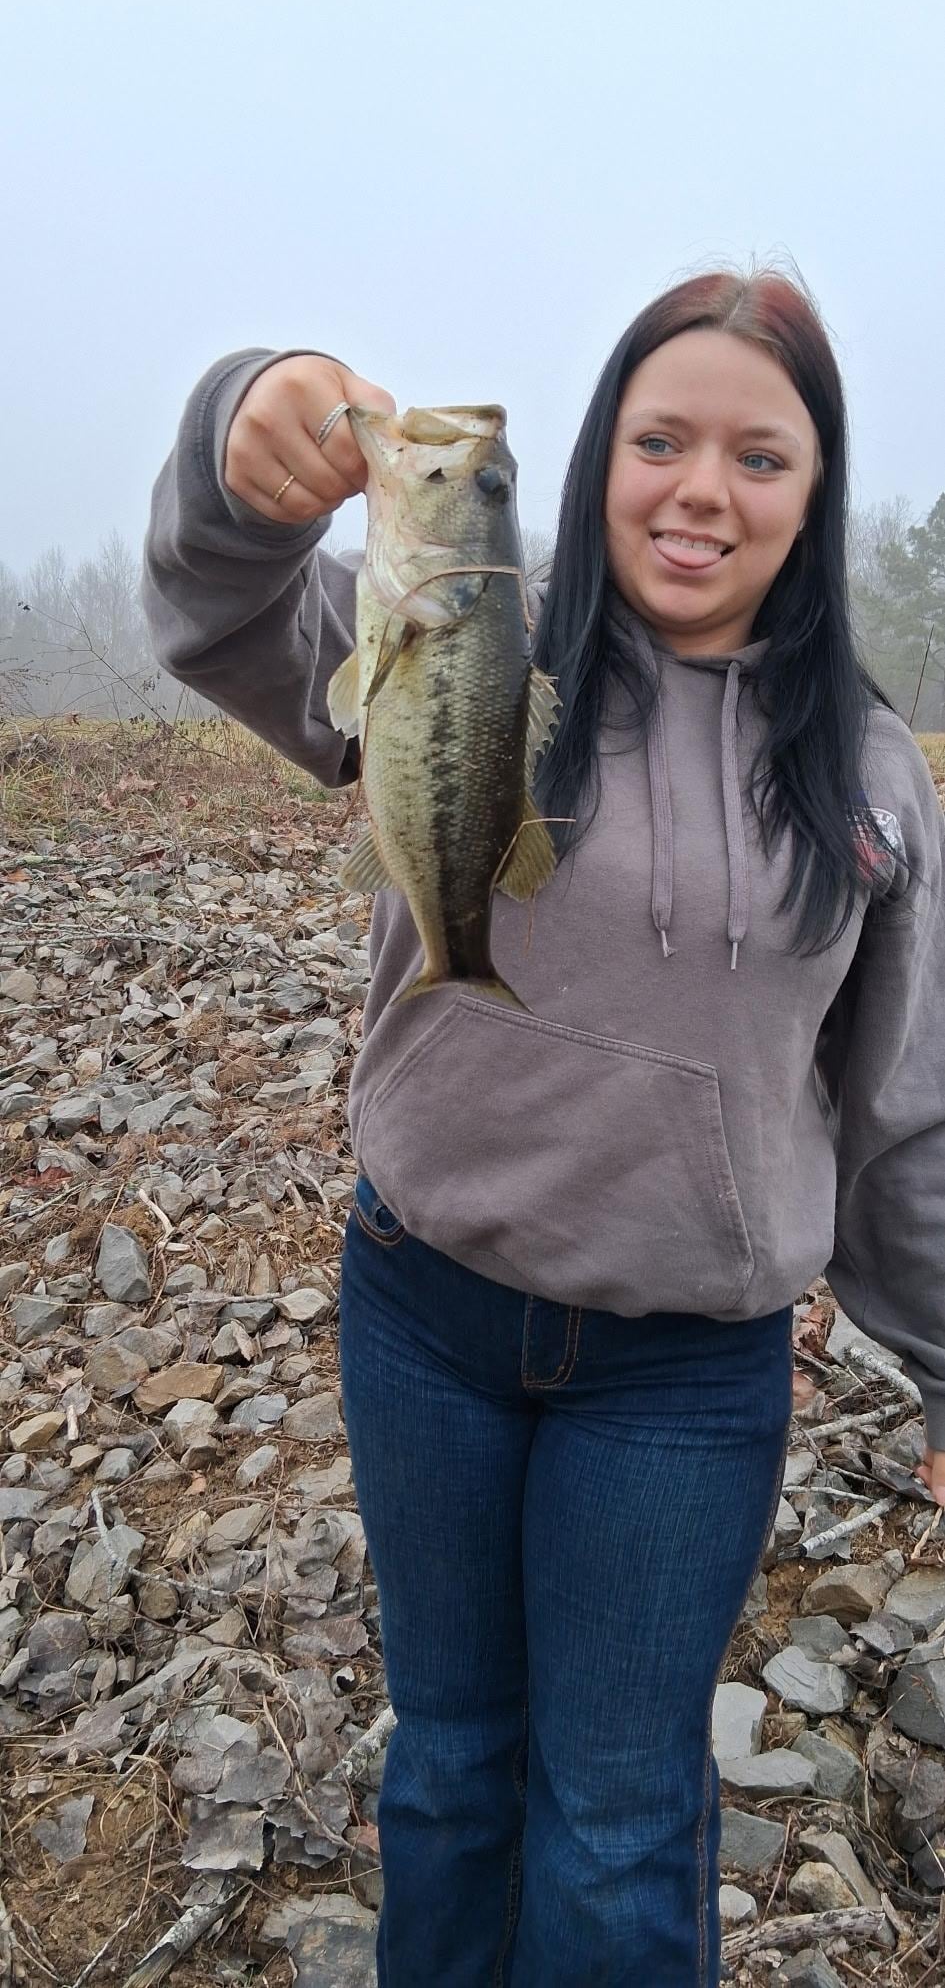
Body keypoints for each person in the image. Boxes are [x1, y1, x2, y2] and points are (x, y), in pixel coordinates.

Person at [143, 268, 945, 1988]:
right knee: (445, 1765)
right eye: (658, 439)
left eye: (758, 454)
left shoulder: (869, 771)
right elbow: (219, 616)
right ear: (597, 464)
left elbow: (898, 1107)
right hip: (419, 1309)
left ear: (811, 494)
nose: (700, 489)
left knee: (617, 1816)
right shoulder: (458, 637)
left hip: (685, 1370)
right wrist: (240, 425)